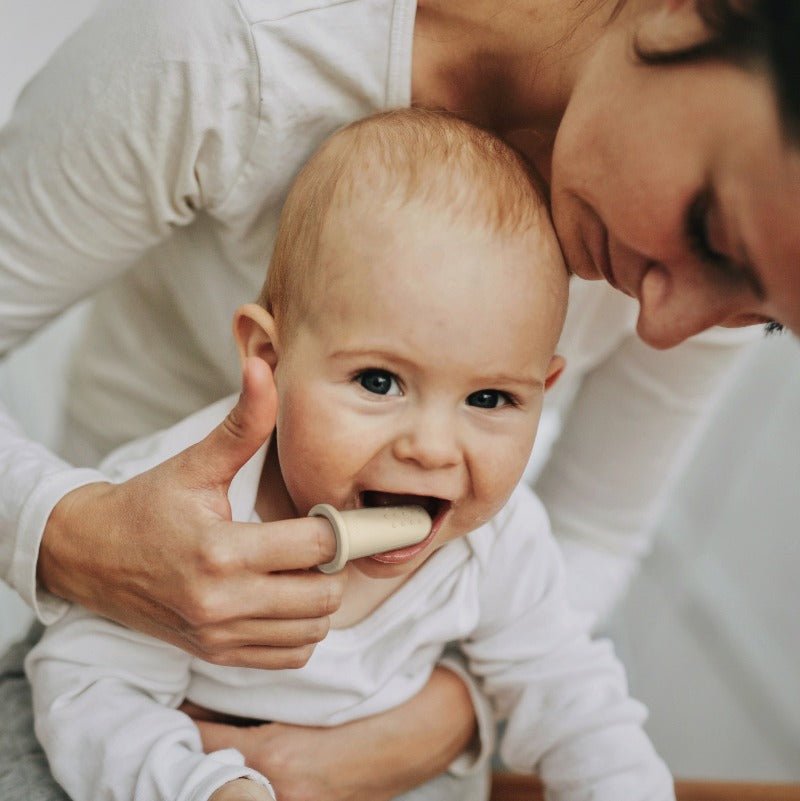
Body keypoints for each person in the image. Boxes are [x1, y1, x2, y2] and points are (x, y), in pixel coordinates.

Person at [0, 0, 798, 798]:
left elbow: (579, 674)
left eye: (762, 316)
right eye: (710, 232)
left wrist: (440, 725)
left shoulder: (498, 545)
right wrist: (71, 535)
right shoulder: (225, 51)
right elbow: (85, 685)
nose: (664, 326)